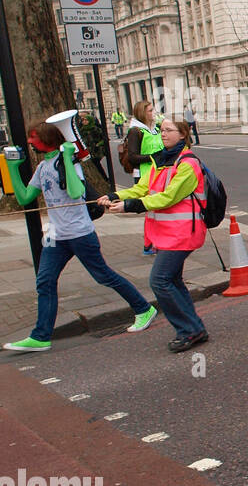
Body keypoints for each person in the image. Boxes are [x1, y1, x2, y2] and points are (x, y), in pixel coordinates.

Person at [3, 124, 157, 353]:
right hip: (56, 235)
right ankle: (41, 336)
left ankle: (143, 309)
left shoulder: (69, 164)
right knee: (44, 281)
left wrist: (67, 158)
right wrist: (13, 168)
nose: (29, 142)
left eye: (33, 137)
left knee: (103, 276)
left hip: (80, 233)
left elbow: (76, 193)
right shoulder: (43, 167)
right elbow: (25, 198)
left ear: (47, 139)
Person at [98, 118, 213, 353]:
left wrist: (131, 206)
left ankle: (189, 330)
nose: (163, 134)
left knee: (159, 280)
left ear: (183, 135)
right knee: (172, 280)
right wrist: (115, 196)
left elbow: (168, 197)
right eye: (162, 130)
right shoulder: (162, 160)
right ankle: (194, 328)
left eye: (169, 130)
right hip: (167, 233)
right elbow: (143, 188)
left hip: (183, 233)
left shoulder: (188, 163)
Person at [123, 101, 163, 254]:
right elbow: (132, 157)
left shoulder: (155, 128)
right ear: (142, 113)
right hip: (144, 175)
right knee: (151, 209)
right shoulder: (135, 131)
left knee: (156, 209)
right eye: (150, 110)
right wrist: (154, 157)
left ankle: (153, 242)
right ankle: (149, 244)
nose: (154, 112)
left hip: (157, 173)